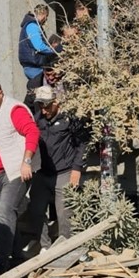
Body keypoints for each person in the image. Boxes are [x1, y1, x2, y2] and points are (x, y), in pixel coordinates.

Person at [0, 78, 39, 276]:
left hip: (15, 171)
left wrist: (26, 162)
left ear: (1, 93)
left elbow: (32, 131)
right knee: (3, 216)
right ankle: (17, 257)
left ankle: (2, 262)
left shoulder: (15, 110)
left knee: (5, 212)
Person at [25, 85, 88, 250]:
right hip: (42, 172)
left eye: (46, 105)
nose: (43, 109)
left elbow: (82, 144)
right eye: (40, 105)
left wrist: (76, 169)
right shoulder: (38, 119)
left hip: (64, 173)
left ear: (56, 102)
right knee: (36, 210)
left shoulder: (70, 119)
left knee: (65, 215)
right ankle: (44, 246)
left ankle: (65, 249)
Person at [18, 4, 57, 90]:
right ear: (43, 14)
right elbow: (39, 46)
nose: (46, 19)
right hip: (34, 66)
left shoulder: (29, 25)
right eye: (46, 16)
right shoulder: (32, 26)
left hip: (31, 65)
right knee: (45, 90)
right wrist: (54, 52)